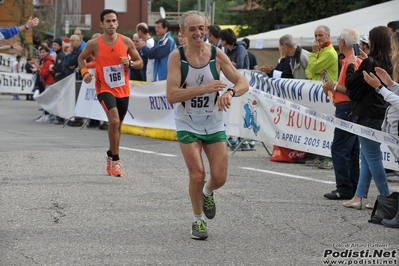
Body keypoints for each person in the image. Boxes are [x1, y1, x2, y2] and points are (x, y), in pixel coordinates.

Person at [166, 10, 249, 240]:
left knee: (220, 177)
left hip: (213, 123)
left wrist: (230, 93)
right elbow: (172, 95)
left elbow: (243, 83)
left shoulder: (217, 55)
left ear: (207, 28)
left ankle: (207, 192)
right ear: (182, 32)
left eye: (200, 28)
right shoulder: (177, 57)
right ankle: (197, 220)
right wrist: (204, 88)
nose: (197, 32)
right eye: (191, 29)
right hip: (187, 122)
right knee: (197, 173)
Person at [78, 9, 143, 177]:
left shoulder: (126, 41)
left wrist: (129, 62)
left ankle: (110, 153)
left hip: (122, 89)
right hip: (104, 88)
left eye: (114, 20)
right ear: (101, 24)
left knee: (118, 125)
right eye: (108, 21)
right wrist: (84, 72)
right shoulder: (95, 44)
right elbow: (81, 58)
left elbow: (139, 62)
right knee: (113, 121)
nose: (112, 24)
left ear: (117, 23)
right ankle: (115, 159)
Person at [343, 26, 392, 210]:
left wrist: (352, 63)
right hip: (381, 112)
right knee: (367, 157)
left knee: (372, 157)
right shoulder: (389, 61)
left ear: (374, 41)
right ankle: (358, 196)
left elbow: (350, 83)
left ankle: (385, 198)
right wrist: (366, 61)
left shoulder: (370, 62)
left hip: (366, 114)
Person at [322, 28, 362, 200]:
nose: (338, 42)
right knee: (352, 149)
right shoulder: (354, 60)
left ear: (343, 42)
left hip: (346, 108)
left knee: (339, 148)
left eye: (339, 39)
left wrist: (333, 87)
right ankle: (352, 187)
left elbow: (350, 89)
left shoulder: (350, 61)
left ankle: (344, 187)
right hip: (349, 107)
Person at [305, 25, 338, 169]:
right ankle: (319, 155)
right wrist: (315, 66)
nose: (317, 39)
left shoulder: (329, 52)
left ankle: (327, 158)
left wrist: (313, 54)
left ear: (328, 36)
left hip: (328, 94)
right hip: (317, 93)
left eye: (320, 35)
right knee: (317, 125)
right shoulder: (322, 51)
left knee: (326, 125)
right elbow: (309, 73)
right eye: (316, 35)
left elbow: (312, 69)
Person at [32, 46, 55, 123]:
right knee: (46, 100)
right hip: (46, 82)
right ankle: (45, 115)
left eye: (43, 52)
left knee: (47, 100)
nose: (41, 54)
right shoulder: (45, 61)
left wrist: (38, 70)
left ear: (47, 52)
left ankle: (48, 116)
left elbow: (44, 73)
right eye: (40, 52)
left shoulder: (48, 61)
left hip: (49, 82)